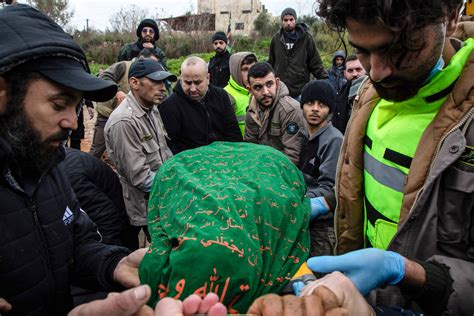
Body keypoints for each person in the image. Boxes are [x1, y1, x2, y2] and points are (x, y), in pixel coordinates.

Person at [307, 0, 474, 314]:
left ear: (450, 18)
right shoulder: (369, 95)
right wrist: (329, 202)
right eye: (363, 51)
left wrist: (410, 274)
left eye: (398, 48)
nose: (377, 71)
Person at [0, 4, 146, 315]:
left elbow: (77, 243)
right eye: (58, 104)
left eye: (77, 106)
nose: (72, 123)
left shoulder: (47, 163)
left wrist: (115, 263)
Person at [105, 59, 176, 250]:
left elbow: (162, 150)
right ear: (135, 83)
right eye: (156, 82)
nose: (163, 88)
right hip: (144, 206)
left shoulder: (151, 108)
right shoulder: (124, 122)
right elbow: (140, 177)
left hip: (161, 197)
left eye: (164, 82)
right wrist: (177, 184)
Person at [160, 56, 242, 154]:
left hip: (224, 155)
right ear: (181, 78)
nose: (193, 88)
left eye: (197, 82)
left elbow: (233, 132)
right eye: (188, 83)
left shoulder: (221, 96)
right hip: (191, 162)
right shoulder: (170, 106)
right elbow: (173, 146)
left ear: (208, 78)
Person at [298, 80, 343, 257]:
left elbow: (329, 188)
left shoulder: (334, 140)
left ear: (330, 110)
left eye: (322, 105)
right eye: (310, 103)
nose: (315, 109)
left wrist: (296, 200)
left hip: (322, 225)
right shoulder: (305, 135)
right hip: (306, 214)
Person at [89, 48, 159, 159]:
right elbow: (104, 77)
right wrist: (116, 91)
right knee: (97, 149)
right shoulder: (123, 66)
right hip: (108, 114)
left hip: (130, 117)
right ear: (141, 58)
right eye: (150, 62)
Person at [244, 62, 307, 165]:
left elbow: (292, 157)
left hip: (283, 169)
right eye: (258, 87)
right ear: (250, 89)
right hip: (261, 165)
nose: (265, 92)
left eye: (269, 84)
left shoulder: (290, 111)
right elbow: (249, 147)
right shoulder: (252, 110)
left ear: (277, 83)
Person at [269, 7, 328, 100]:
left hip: (300, 90)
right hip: (280, 91)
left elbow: (315, 62)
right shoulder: (276, 39)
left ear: (295, 20)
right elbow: (271, 63)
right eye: (285, 20)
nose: (288, 23)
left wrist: (325, 80)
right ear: (282, 22)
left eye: (291, 19)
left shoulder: (306, 38)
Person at [223, 52, 257, 136]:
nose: (250, 73)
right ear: (236, 71)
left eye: (253, 68)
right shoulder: (225, 95)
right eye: (245, 69)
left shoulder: (260, 90)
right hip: (241, 146)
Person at [332, 54, 367, 134]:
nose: (354, 74)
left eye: (358, 69)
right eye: (350, 71)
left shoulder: (375, 92)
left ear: (365, 70)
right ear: (344, 73)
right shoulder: (340, 95)